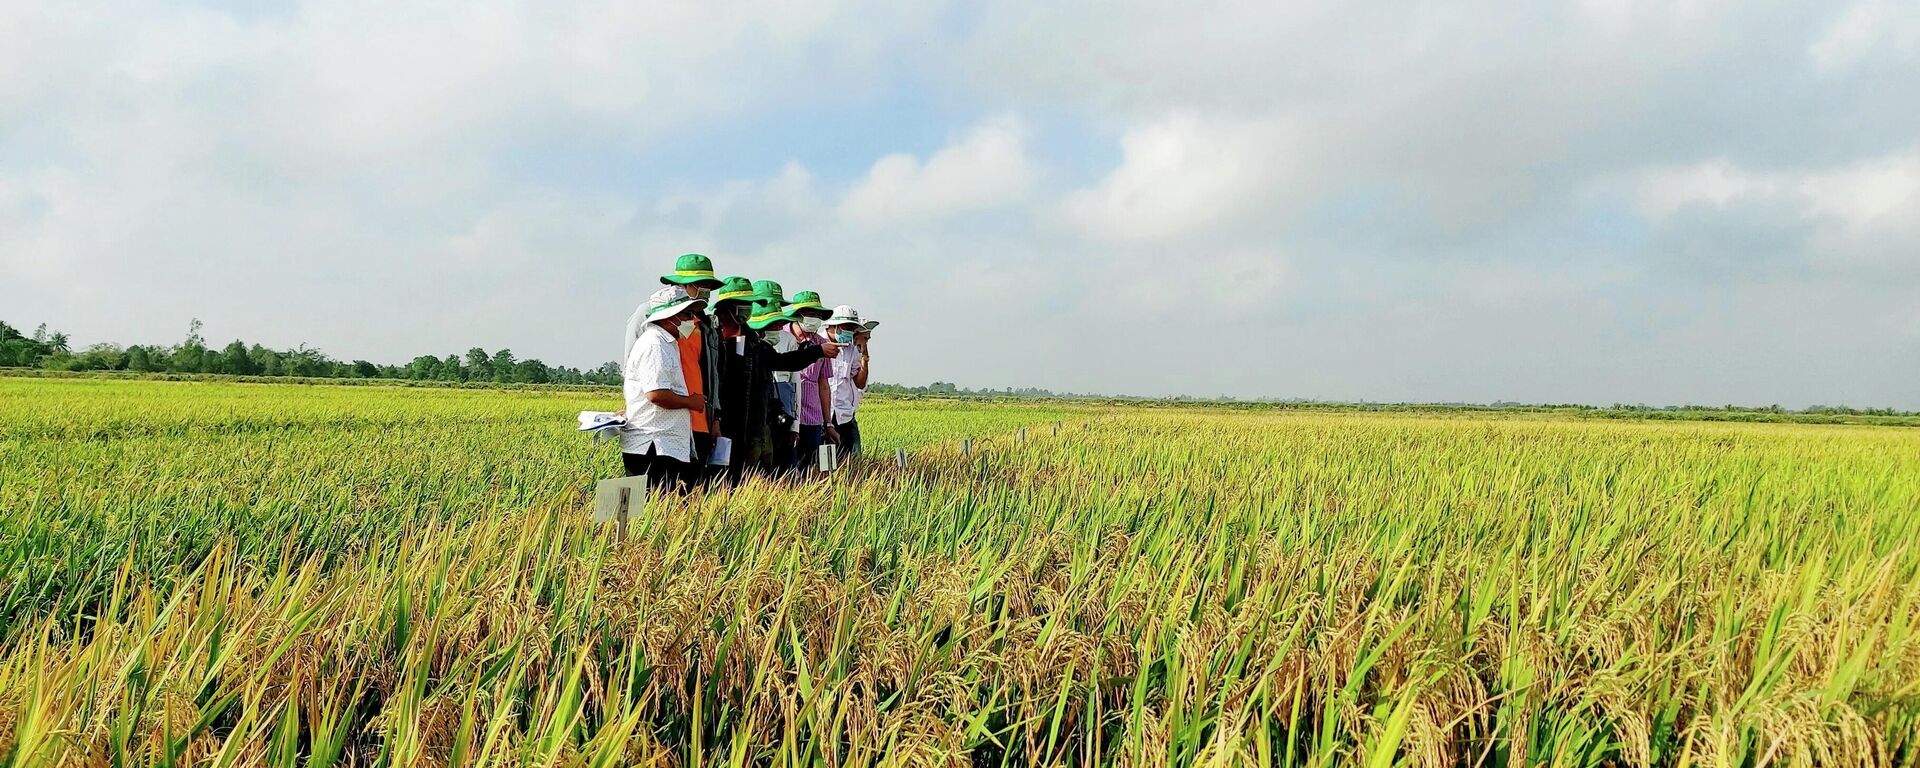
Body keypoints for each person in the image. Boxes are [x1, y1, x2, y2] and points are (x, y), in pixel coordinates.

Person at [739, 297, 840, 475]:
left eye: (779, 324)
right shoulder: (742, 345)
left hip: (774, 418)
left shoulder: (761, 346)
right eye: (773, 324)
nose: (778, 329)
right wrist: (818, 351)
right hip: (747, 424)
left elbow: (788, 367)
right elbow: (785, 362)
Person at [620, 286, 707, 491]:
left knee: (663, 507)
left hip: (663, 444)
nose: (692, 320)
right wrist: (691, 402)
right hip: (652, 445)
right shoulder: (654, 344)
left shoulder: (667, 343)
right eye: (687, 314)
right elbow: (656, 394)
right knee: (653, 508)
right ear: (670, 316)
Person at [660, 254, 726, 475]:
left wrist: (715, 417)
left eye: (708, 285)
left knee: (693, 488)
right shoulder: (649, 315)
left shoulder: (706, 325)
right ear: (680, 285)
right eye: (700, 284)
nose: (705, 290)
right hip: (669, 421)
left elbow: (713, 375)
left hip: (700, 419)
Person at [785, 290, 837, 471]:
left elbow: (824, 385)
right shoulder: (783, 337)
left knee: (808, 466)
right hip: (787, 413)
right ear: (798, 315)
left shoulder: (822, 344)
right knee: (786, 466)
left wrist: (828, 423)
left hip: (812, 417)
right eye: (810, 313)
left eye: (817, 315)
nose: (814, 318)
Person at [824, 305, 871, 458]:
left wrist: (864, 356)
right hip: (821, 416)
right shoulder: (818, 344)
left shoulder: (851, 349)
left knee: (852, 460)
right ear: (834, 326)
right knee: (823, 463)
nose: (850, 331)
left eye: (852, 328)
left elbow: (860, 383)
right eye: (847, 327)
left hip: (844, 415)